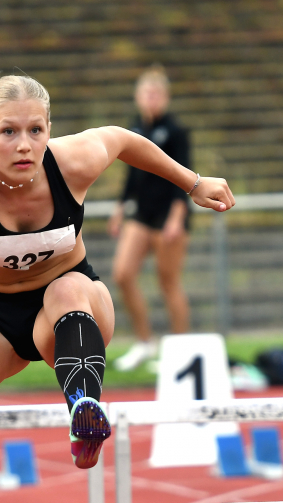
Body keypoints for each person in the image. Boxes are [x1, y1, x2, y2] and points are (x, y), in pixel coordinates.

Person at [0, 68, 233, 468]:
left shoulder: (71, 162)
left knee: (65, 288)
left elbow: (123, 139)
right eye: (8, 132)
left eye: (36, 130)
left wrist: (193, 183)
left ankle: (84, 411)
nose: (24, 145)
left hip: (73, 307)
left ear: (49, 130)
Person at [108, 66, 192, 371]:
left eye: (157, 94)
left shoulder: (176, 131)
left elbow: (184, 176)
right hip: (141, 214)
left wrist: (176, 218)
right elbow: (131, 176)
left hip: (167, 215)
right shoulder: (134, 129)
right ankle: (145, 342)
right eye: (146, 93)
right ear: (137, 97)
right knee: (122, 273)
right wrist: (120, 208)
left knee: (168, 280)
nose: (151, 99)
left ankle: (180, 352)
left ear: (166, 97)